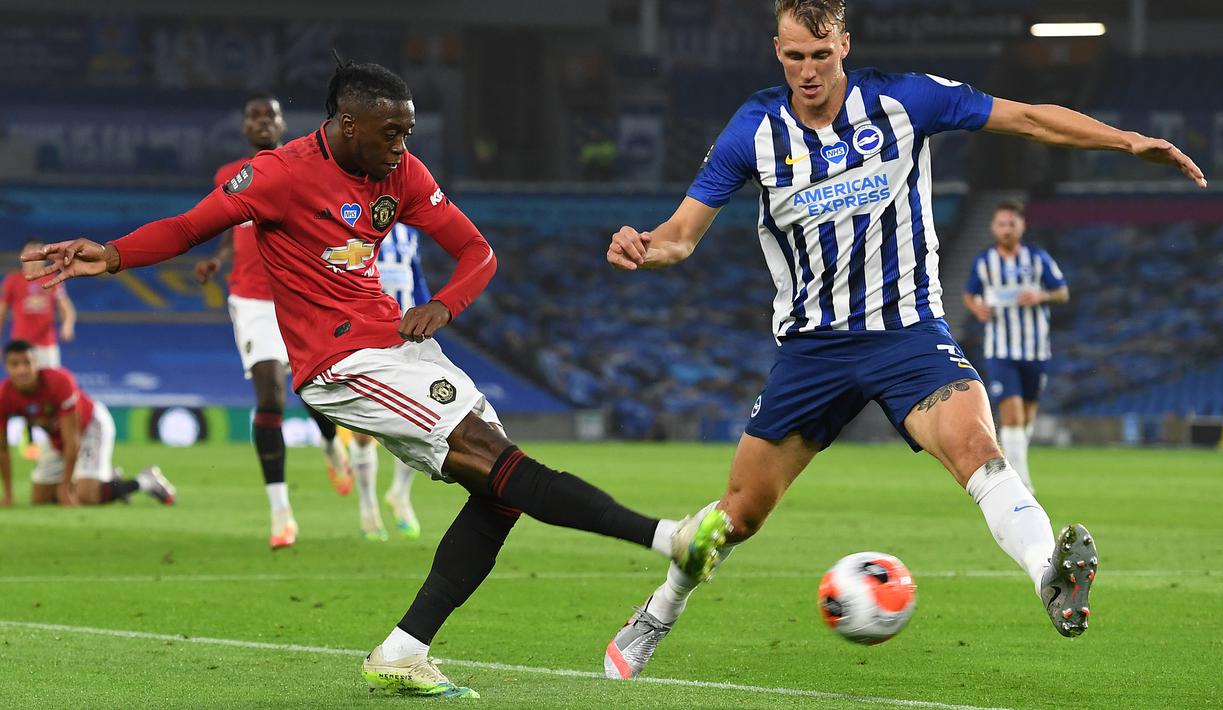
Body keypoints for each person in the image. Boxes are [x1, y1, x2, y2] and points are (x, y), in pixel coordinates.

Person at [24, 58, 729, 698]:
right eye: (391, 132)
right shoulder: (277, 175)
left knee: (500, 494)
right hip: (340, 364)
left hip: (399, 344)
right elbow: (187, 228)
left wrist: (444, 304)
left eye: (408, 132)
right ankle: (668, 538)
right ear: (347, 124)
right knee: (498, 462)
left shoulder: (402, 173)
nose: (401, 146)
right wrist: (111, 255)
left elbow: (477, 251)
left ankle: (403, 650)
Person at [601, 0, 1205, 679]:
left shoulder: (904, 101)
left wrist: (1126, 141)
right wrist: (643, 247)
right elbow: (680, 237)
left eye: (821, 55)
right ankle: (659, 611)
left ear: (844, 46)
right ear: (777, 51)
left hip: (907, 334)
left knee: (979, 450)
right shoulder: (754, 129)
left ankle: (1048, 574)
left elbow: (1028, 118)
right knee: (739, 515)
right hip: (813, 349)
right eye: (795, 56)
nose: (808, 70)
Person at [193, 93, 356, 550]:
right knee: (270, 394)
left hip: (301, 296)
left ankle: (330, 443)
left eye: (271, 115)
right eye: (254, 115)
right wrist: (218, 258)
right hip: (252, 302)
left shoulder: (303, 168)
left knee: (314, 390)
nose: (263, 121)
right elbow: (233, 226)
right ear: (244, 126)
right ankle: (282, 514)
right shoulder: (229, 176)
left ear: (283, 124)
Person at [963, 200, 1069, 492]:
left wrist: (1041, 296)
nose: (1007, 229)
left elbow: (1062, 292)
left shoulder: (1038, 258)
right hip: (1000, 350)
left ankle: (1014, 463)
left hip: (1035, 349)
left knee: (1026, 417)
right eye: (1001, 224)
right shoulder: (984, 262)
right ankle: (1022, 485)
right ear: (993, 228)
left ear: (1022, 226)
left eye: (1012, 223)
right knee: (1012, 414)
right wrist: (977, 308)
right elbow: (970, 295)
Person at [0, 340, 175, 507]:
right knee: (40, 499)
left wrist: (65, 487)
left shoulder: (59, 382)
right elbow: (2, 448)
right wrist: (8, 495)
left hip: (89, 425)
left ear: (36, 363)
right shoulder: (4, 395)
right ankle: (109, 481)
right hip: (57, 436)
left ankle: (145, 481)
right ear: (6, 367)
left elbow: (72, 439)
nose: (22, 370)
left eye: (27, 363)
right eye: (15, 364)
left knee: (85, 496)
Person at [350, 222, 434, 541]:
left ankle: (399, 493)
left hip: (407, 337)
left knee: (418, 420)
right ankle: (367, 507)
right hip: (365, 336)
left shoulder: (408, 233)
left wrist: (428, 317)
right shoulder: (352, 225)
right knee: (362, 430)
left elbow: (417, 278)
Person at [1, 240, 77, 460]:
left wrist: (67, 324)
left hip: (46, 348)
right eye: (30, 253)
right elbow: (2, 311)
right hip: (20, 350)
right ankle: (30, 437)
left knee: (51, 393)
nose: (34, 259)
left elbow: (67, 308)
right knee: (22, 393)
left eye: (39, 254)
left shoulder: (53, 280)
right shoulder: (12, 281)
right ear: (22, 257)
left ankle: (56, 439)